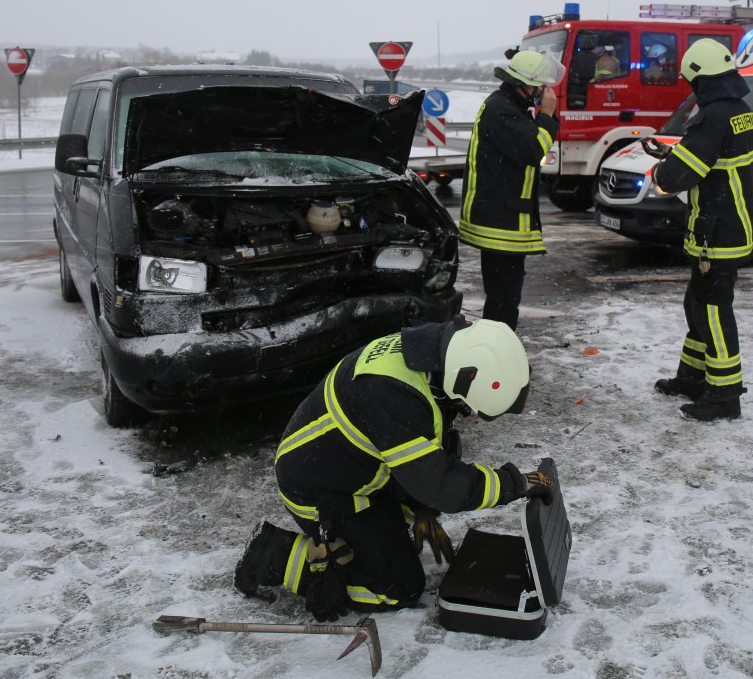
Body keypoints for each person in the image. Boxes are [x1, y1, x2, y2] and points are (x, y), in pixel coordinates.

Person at [233, 318, 556, 621]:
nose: (467, 414)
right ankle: (284, 558)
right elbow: (441, 486)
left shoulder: (434, 350)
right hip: (324, 492)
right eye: (467, 407)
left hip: (357, 469)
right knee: (400, 587)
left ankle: (378, 535)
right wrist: (515, 483)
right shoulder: (391, 394)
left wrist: (423, 509)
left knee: (443, 460)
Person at [648, 38, 753, 421]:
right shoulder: (740, 110)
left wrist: (662, 168)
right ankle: (693, 377)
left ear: (700, 79)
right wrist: (674, 151)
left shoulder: (712, 117)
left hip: (718, 234)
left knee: (712, 311)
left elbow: (677, 176)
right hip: (728, 228)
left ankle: (725, 395)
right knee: (697, 305)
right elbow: (711, 156)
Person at [458, 48, 564, 330]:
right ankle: (497, 358)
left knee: (504, 296)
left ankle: (498, 353)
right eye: (541, 86)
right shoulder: (502, 109)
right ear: (527, 85)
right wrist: (548, 114)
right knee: (504, 298)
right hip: (500, 221)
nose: (544, 91)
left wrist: (544, 117)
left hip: (502, 215)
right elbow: (533, 149)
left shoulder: (511, 106)